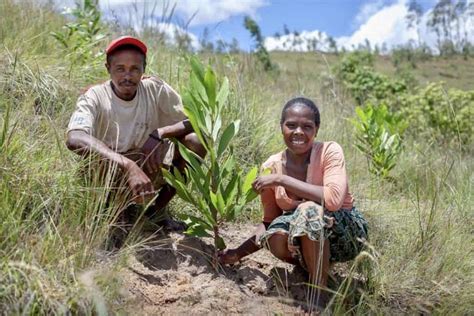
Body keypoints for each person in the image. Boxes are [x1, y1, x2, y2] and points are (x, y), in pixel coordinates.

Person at [218, 97, 368, 307]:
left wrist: (281, 180)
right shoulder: (271, 166)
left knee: (308, 210)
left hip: (345, 232)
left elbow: (333, 200)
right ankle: (312, 265)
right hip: (302, 236)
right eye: (291, 125)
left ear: (316, 129)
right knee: (275, 236)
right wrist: (237, 253)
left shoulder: (330, 151)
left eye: (307, 126)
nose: (298, 131)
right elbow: (269, 221)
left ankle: (317, 296)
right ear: (281, 127)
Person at [66, 36, 205, 229]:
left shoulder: (154, 88)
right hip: (107, 174)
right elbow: (75, 138)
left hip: (150, 166)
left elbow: (198, 121)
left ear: (143, 70)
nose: (127, 76)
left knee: (196, 141)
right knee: (116, 227)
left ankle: (156, 212)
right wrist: (128, 165)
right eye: (120, 68)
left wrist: (160, 132)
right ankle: (113, 212)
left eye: (134, 69)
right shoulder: (95, 96)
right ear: (108, 69)